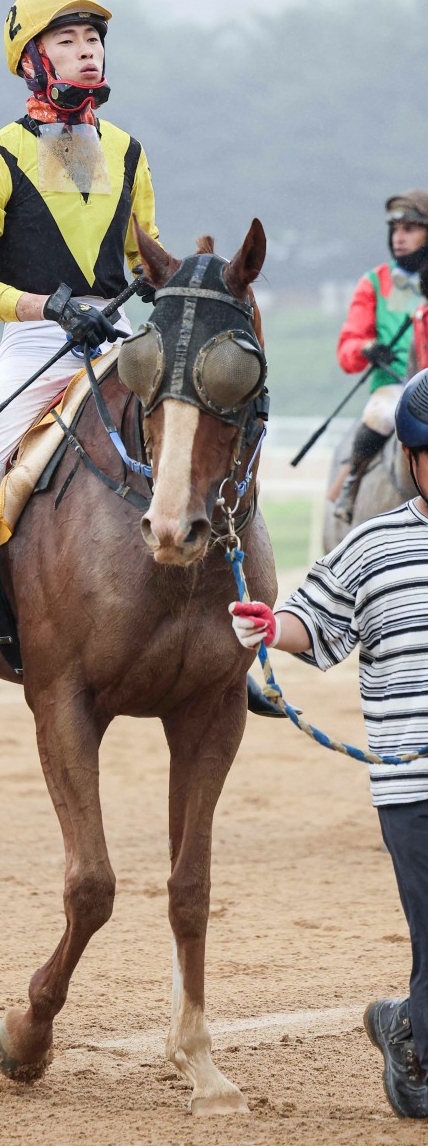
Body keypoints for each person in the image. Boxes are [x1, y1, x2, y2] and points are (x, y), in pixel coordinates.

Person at [0, 0, 159, 706]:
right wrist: (47, 306)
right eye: (68, 43)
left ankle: (225, 641)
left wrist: (176, 280)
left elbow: (146, 257)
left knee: (199, 433)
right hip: (34, 344)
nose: (87, 54)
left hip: (116, 336)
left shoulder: (127, 150)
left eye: (94, 42)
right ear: (31, 60)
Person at [228, 367, 428, 1119]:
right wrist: (267, 625)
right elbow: (315, 624)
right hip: (412, 790)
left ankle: (407, 1021)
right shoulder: (373, 547)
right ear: (412, 460)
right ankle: (412, 1030)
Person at [333, 190, 428, 522]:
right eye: (395, 229)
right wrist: (367, 349)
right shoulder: (373, 283)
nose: (399, 238)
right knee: (381, 414)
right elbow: (347, 349)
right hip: (394, 387)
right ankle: (352, 486)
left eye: (410, 229)